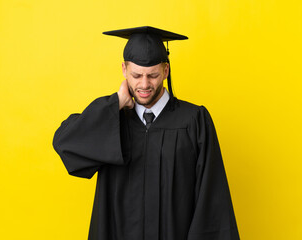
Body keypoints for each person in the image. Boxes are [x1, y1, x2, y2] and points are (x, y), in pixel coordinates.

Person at [53, 26, 240, 240]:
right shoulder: (112, 121)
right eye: (136, 75)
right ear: (124, 70)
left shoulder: (194, 121)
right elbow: (65, 143)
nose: (144, 84)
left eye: (152, 75)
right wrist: (114, 104)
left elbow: (212, 201)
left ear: (165, 71)